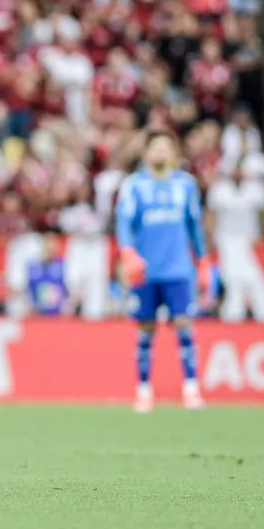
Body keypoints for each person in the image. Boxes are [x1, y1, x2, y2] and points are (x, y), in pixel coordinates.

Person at [115, 132, 211, 413]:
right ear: (146, 153)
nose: (160, 152)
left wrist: (203, 261)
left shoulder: (186, 185)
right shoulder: (134, 185)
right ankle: (143, 390)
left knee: (183, 326)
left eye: (165, 147)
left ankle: (191, 388)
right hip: (145, 271)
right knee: (145, 330)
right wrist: (128, 253)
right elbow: (124, 223)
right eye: (154, 146)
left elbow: (195, 225)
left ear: (174, 152)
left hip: (178, 269)